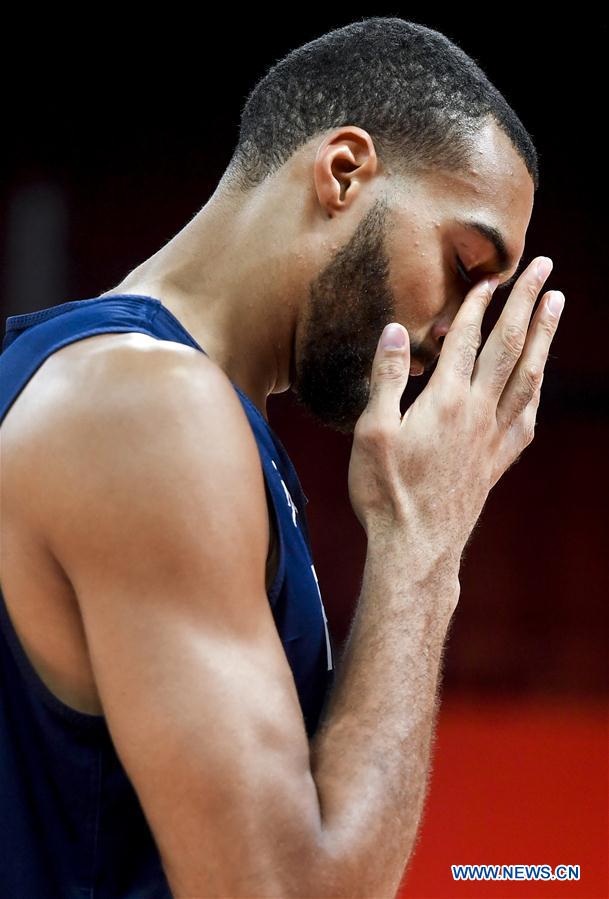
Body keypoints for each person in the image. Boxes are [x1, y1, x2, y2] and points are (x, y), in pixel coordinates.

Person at [0, 16, 564, 899]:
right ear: (344, 171)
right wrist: (421, 546)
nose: (463, 326)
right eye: (464, 263)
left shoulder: (140, 392)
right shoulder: (146, 408)